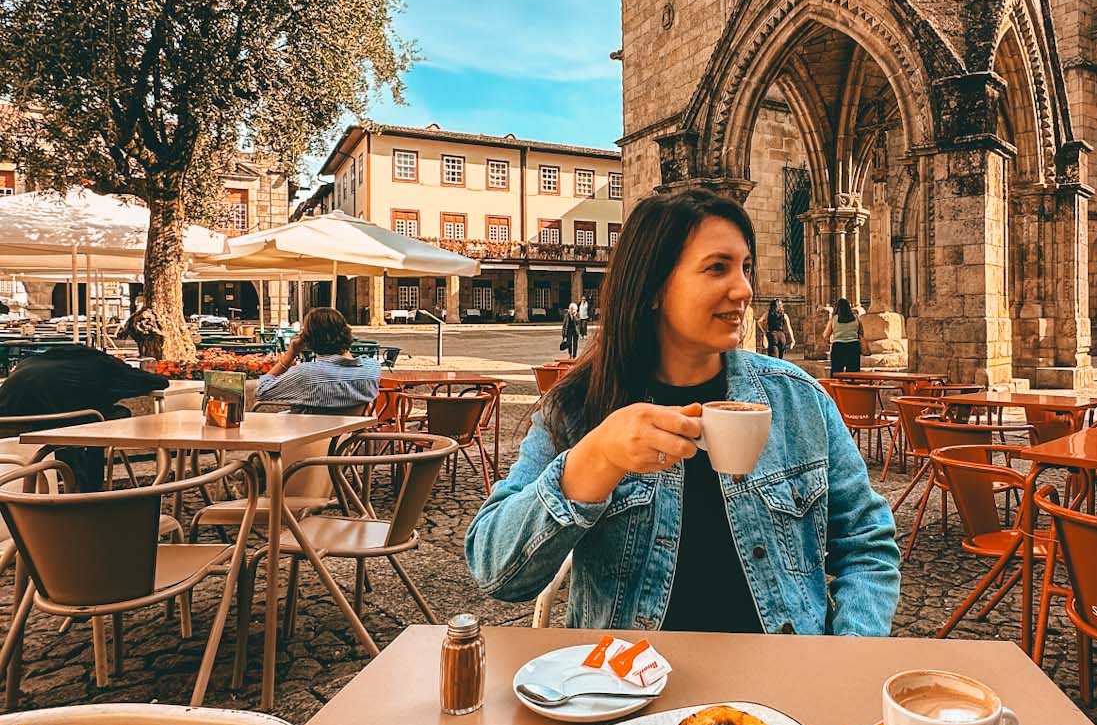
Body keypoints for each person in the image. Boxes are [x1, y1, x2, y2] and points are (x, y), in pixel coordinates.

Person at [467, 186, 899, 636]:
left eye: (745, 267)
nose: (744, 289)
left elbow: (867, 542)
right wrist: (597, 458)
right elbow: (497, 571)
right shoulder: (579, 408)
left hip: (783, 690)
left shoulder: (799, 399)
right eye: (718, 268)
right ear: (653, 288)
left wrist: (848, 649)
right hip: (627, 692)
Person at [0, 343, 169, 490]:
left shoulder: (30, 363)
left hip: (12, 431)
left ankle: (84, 481)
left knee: (92, 418)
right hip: (59, 431)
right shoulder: (99, 365)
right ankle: (92, 484)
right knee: (107, 418)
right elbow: (158, 382)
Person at [252, 307, 381, 413]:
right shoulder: (372, 369)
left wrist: (289, 356)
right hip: (349, 441)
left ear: (308, 340)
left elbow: (261, 391)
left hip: (308, 441)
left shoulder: (306, 374)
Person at [823, 297, 863, 374]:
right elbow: (861, 333)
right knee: (853, 373)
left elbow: (826, 335)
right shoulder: (856, 318)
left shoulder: (834, 319)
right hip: (853, 346)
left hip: (838, 347)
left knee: (836, 372)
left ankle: (837, 386)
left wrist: (830, 341)